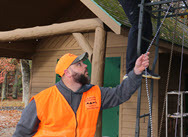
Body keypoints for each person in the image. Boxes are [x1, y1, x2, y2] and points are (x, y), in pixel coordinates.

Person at [13, 51, 149, 137]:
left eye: (83, 63)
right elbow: (21, 134)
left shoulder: (95, 93)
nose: (85, 66)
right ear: (67, 73)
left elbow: (121, 94)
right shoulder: (41, 100)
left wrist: (136, 71)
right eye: (79, 64)